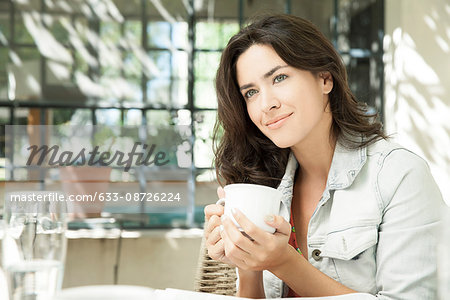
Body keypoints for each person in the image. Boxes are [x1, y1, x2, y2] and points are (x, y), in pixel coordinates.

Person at [203, 14, 445, 299]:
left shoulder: (399, 175)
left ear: (325, 79)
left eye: (279, 78)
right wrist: (247, 263)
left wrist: (284, 262)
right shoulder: (265, 184)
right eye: (251, 92)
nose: (267, 104)